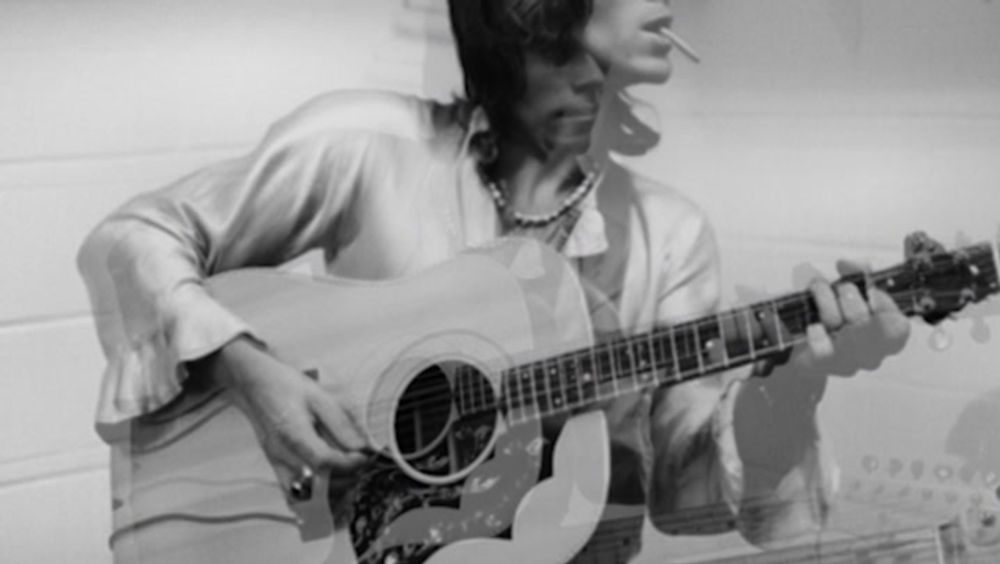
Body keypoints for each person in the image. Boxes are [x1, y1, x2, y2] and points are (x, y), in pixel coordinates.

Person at [77, 0, 910, 562]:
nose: (666, 5)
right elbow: (133, 239)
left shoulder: (669, 233)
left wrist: (791, 389)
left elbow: (683, 496)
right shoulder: (369, 148)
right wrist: (243, 366)